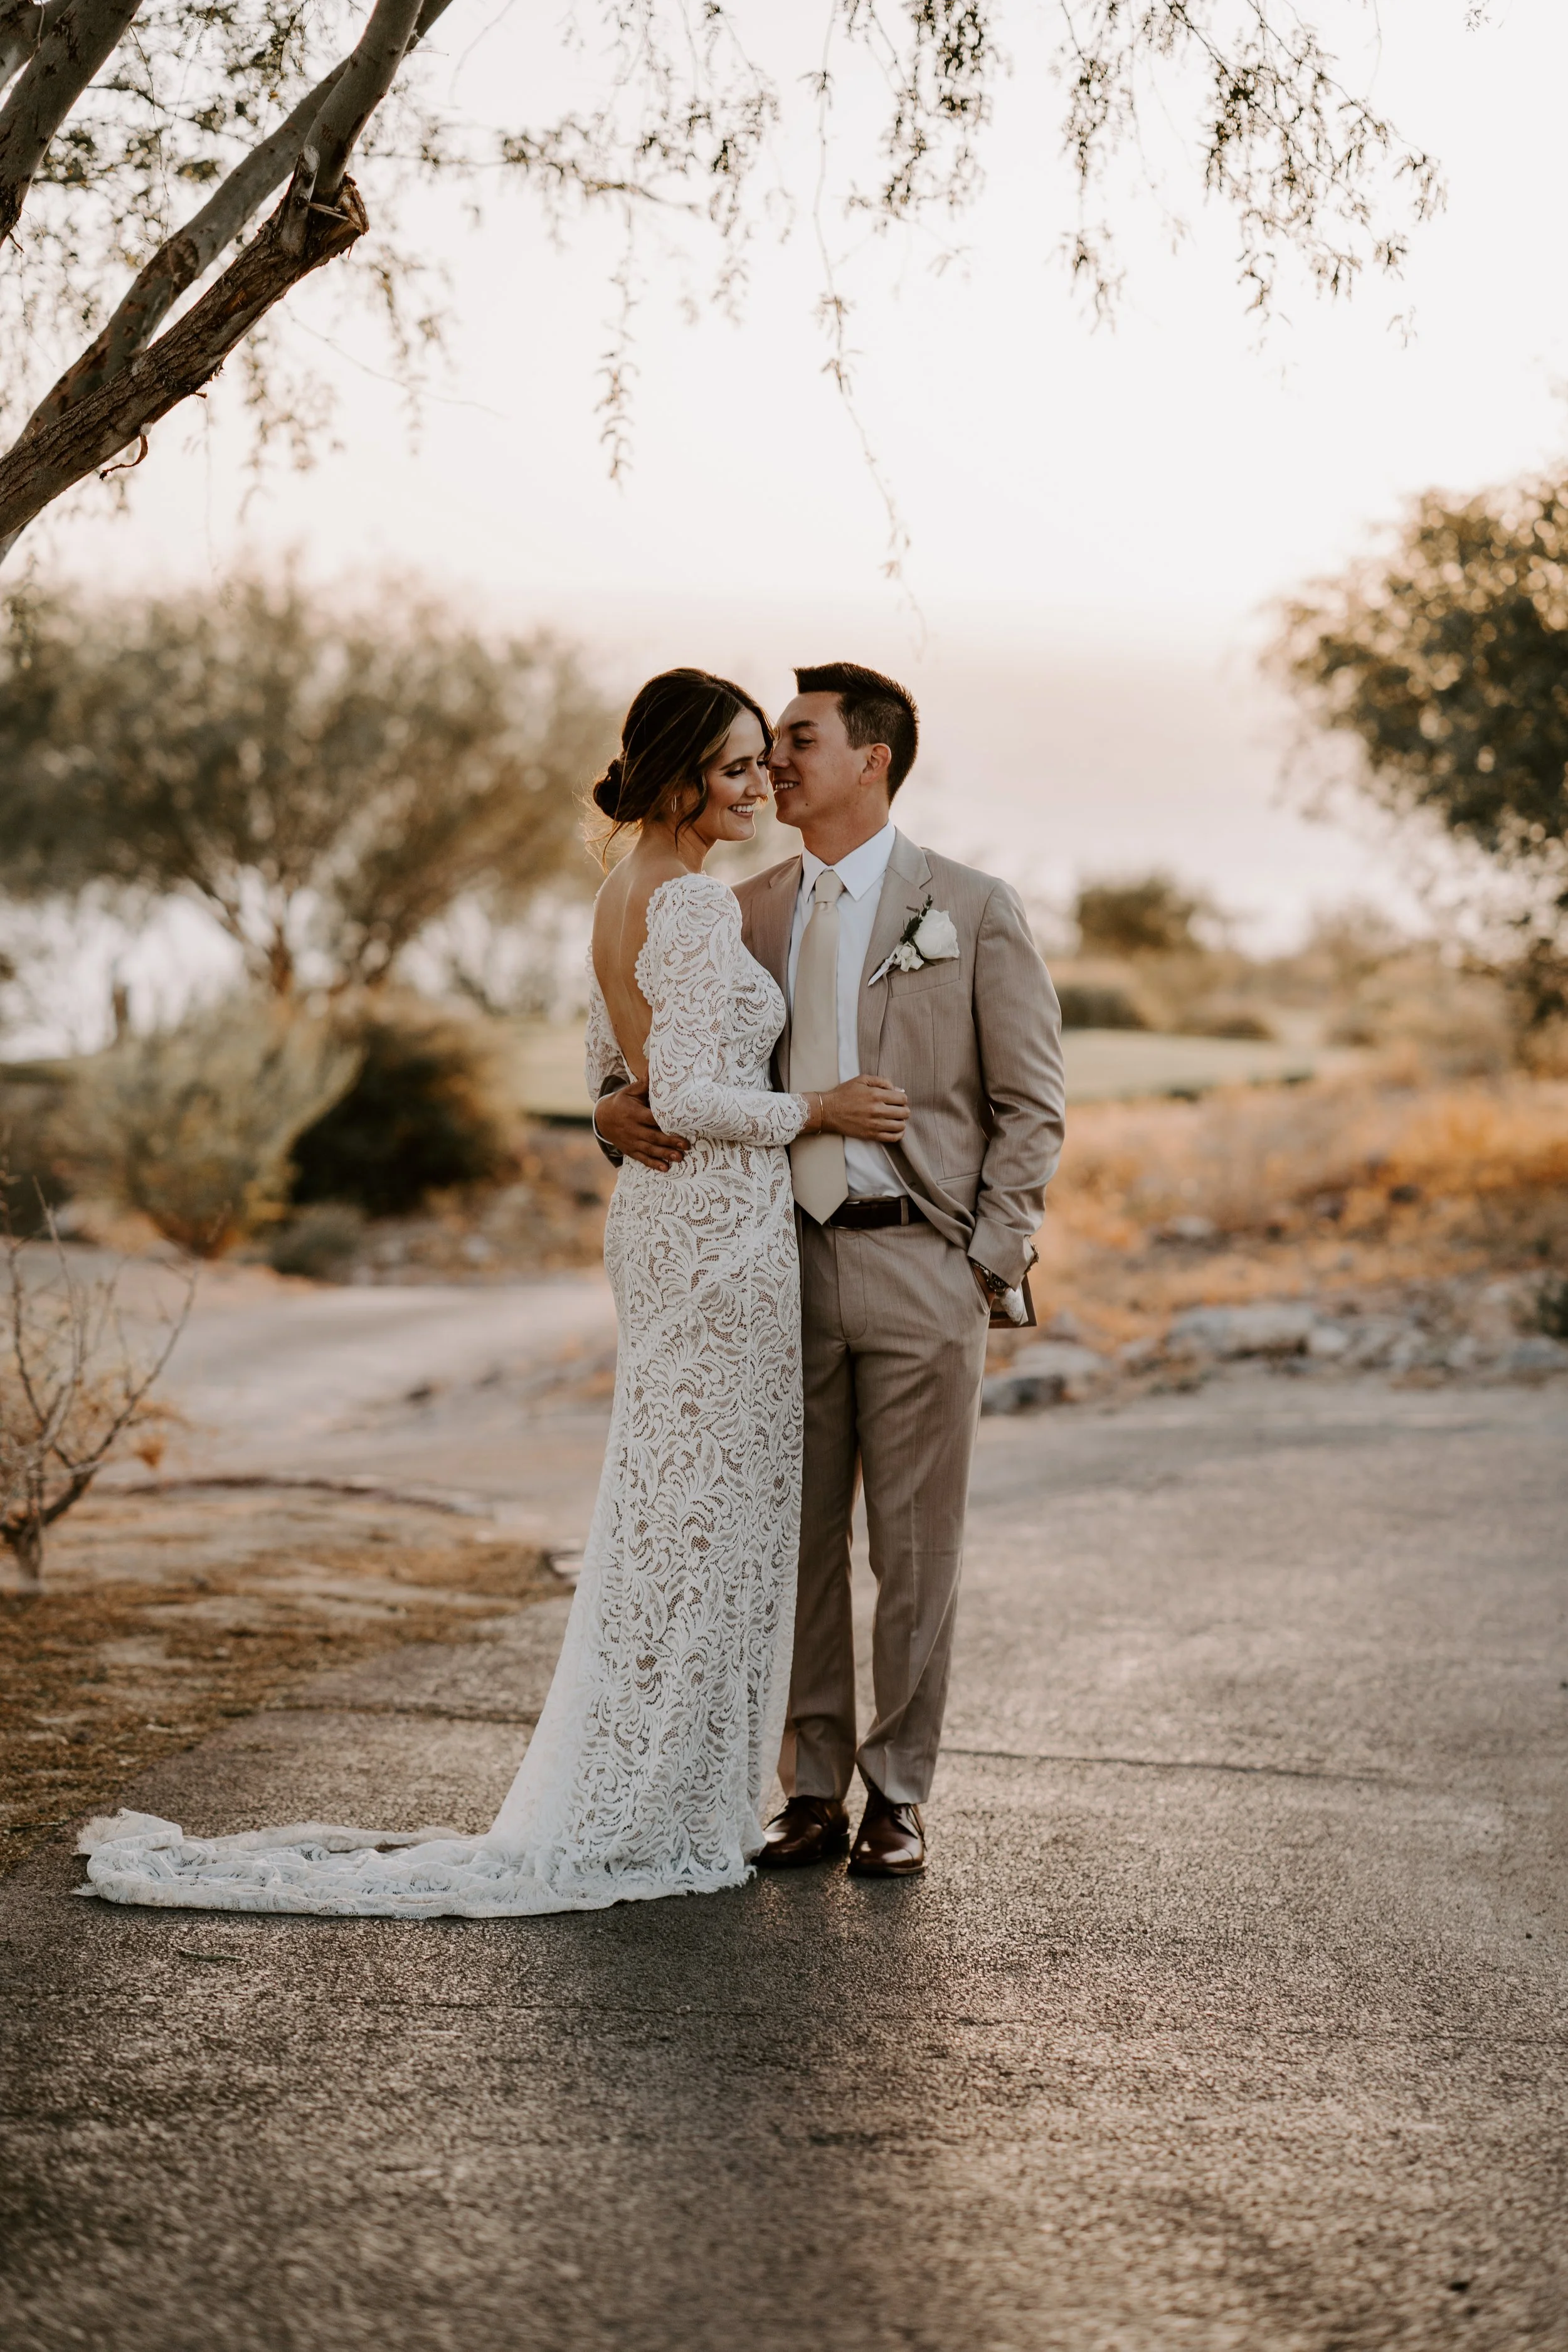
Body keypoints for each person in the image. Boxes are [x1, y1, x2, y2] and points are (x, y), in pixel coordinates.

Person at [78, 668, 907, 1918]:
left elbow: (608, 1077)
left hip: (666, 1226)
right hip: (718, 1237)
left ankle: (656, 1794)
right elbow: (679, 1099)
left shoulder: (617, 894)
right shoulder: (684, 905)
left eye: (763, 762)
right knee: (712, 1522)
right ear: (682, 775)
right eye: (737, 767)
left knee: (676, 1514)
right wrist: (818, 1110)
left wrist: (606, 1113)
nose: (759, 787)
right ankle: (667, 1809)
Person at [596, 662, 1064, 1875]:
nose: (779, 763)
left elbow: (1031, 1103)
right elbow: (645, 1030)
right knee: (792, 1544)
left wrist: (990, 1259)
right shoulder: (735, 905)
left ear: (875, 761)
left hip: (924, 1265)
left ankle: (897, 1793)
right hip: (774, 1265)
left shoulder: (970, 904)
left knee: (914, 1551)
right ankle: (807, 1791)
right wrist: (610, 1103)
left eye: (801, 740)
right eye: (767, 747)